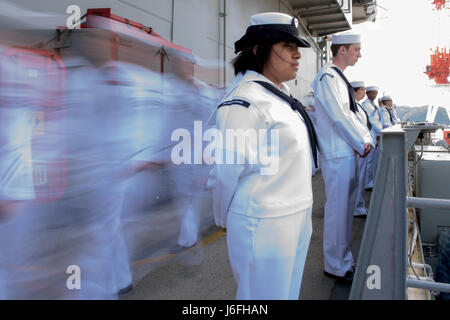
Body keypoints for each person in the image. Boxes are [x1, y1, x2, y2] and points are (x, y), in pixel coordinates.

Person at [208, 12, 318, 299]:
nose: (297, 56)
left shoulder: (279, 96)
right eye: (288, 47)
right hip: (264, 223)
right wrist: (223, 216)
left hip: (295, 215)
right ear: (259, 50)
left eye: (298, 49)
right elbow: (226, 170)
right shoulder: (245, 101)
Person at [311, 33, 373, 282]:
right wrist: (361, 142)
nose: (360, 53)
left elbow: (355, 116)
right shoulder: (328, 77)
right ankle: (335, 265)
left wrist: (365, 140)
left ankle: (343, 260)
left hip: (345, 152)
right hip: (337, 153)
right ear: (343, 50)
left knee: (345, 211)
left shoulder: (339, 78)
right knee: (338, 212)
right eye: (356, 49)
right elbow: (339, 116)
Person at [350, 81, 374, 218]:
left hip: (364, 144)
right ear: (354, 91)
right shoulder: (352, 106)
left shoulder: (357, 105)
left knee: (361, 177)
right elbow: (358, 127)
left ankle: (359, 206)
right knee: (358, 179)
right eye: (362, 90)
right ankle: (357, 207)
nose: (364, 92)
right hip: (360, 146)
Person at [362, 86, 383, 190]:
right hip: (370, 135)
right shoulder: (367, 105)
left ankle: (370, 181)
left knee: (372, 161)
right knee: (369, 162)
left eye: (375, 93)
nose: (374, 95)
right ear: (367, 93)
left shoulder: (372, 104)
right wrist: (381, 131)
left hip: (374, 135)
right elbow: (373, 121)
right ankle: (367, 183)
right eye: (372, 93)